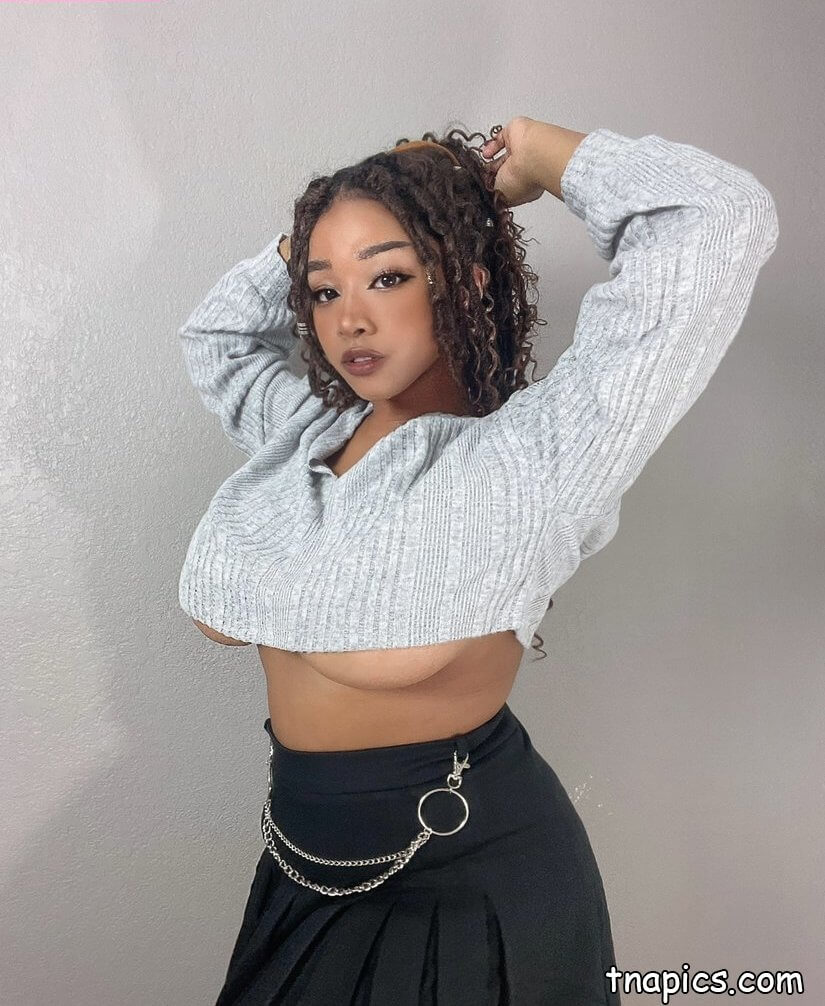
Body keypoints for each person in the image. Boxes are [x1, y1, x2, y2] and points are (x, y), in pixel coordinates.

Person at [176, 116, 778, 1004]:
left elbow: (719, 216)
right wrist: (333, 222)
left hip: (467, 882)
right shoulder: (303, 431)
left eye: (388, 275)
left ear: (462, 277)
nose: (349, 319)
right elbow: (218, 338)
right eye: (323, 289)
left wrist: (542, 152)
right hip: (302, 867)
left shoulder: (540, 454)